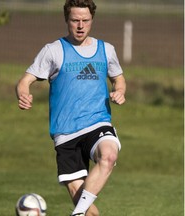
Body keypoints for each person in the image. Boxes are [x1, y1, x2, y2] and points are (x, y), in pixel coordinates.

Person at [16, 0, 126, 215]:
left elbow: (118, 78)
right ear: (66, 20)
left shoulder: (106, 49)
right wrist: (23, 95)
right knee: (89, 211)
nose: (80, 25)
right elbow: (24, 81)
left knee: (109, 155)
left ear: (92, 20)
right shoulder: (53, 50)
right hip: (65, 134)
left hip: (98, 123)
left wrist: (119, 90)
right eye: (75, 20)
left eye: (85, 20)